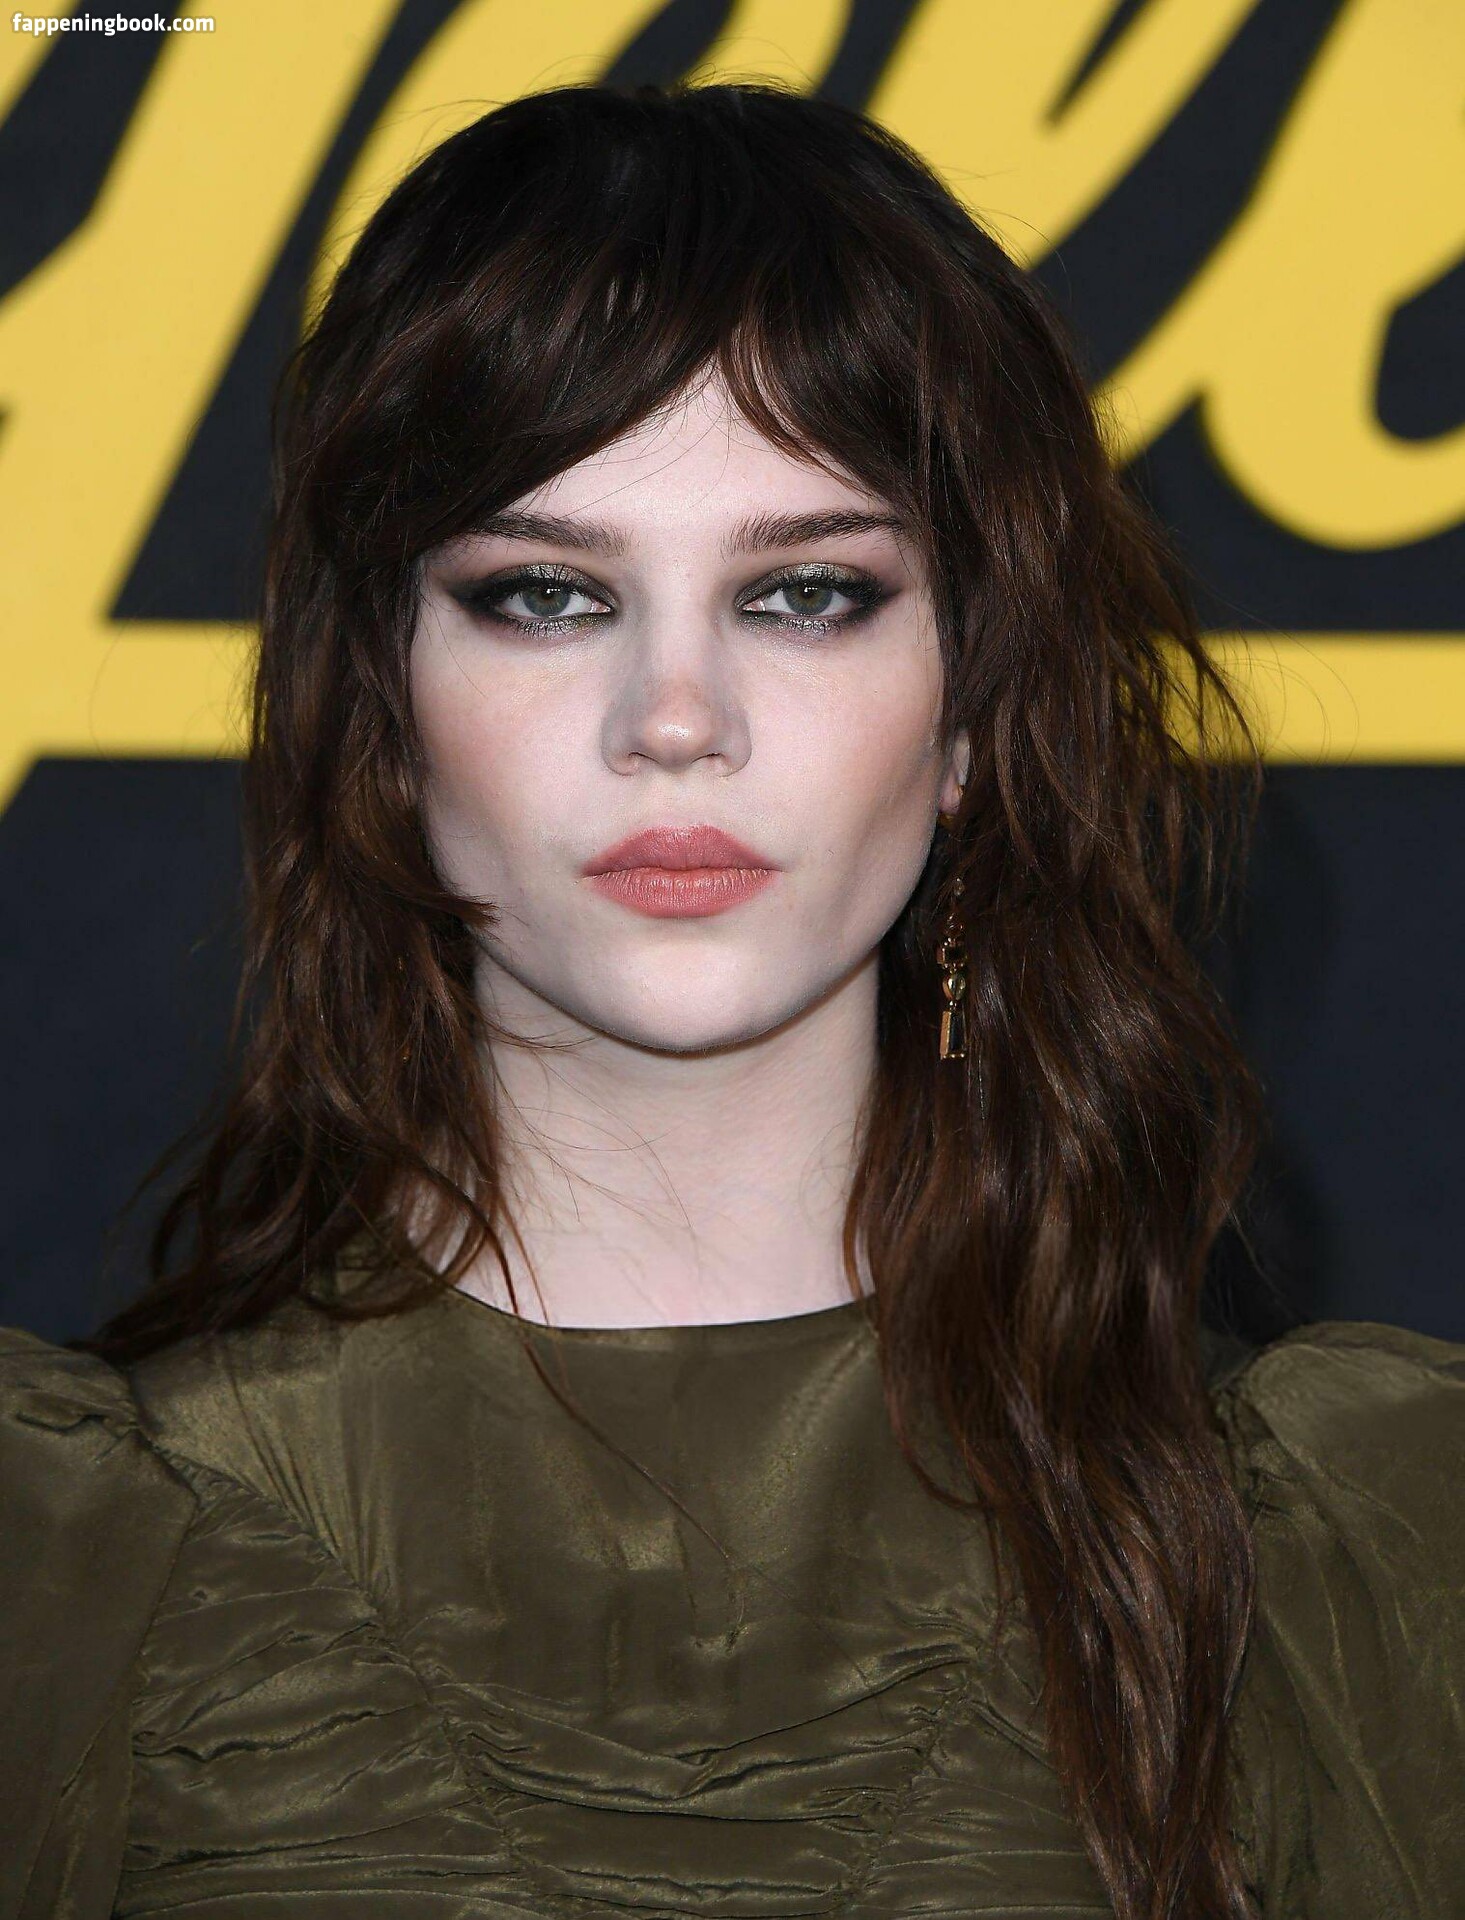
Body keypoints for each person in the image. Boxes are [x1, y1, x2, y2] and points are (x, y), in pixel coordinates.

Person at [1, 79, 1460, 1920]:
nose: (675, 718)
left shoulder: (1353, 1557)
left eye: (805, 594)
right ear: (380, 707)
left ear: (972, 713)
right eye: (546, 595)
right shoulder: (62, 1566)